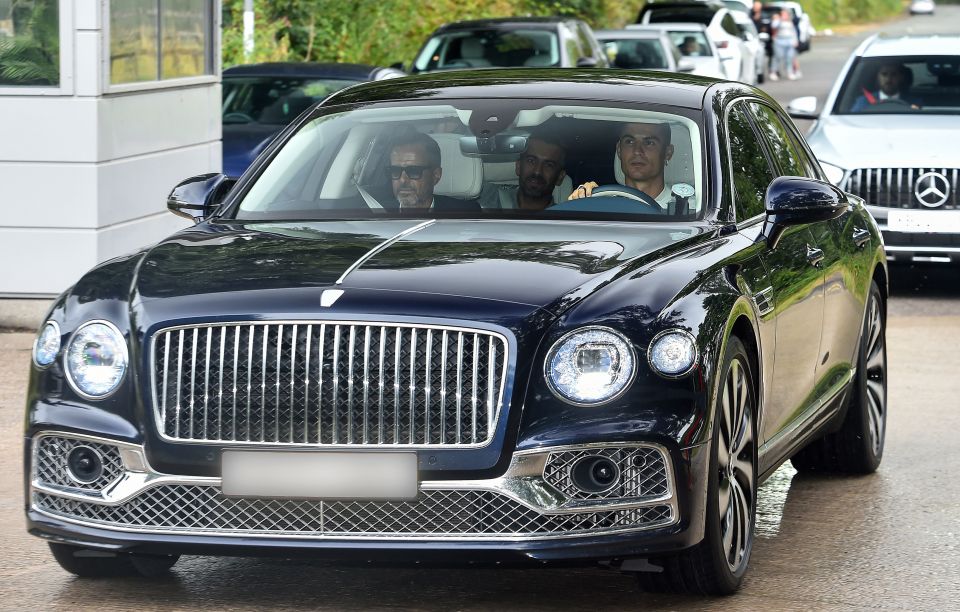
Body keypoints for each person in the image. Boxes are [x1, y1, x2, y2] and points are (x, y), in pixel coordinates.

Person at [569, 122, 676, 210]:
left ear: (668, 153)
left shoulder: (688, 211)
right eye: (629, 141)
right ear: (619, 150)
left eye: (649, 143)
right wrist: (582, 201)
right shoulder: (602, 205)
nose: (637, 151)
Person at [387, 131, 480, 211]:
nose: (403, 180)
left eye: (413, 171)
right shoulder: (376, 211)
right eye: (395, 171)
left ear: (436, 175)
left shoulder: (465, 213)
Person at [480, 133, 567, 211]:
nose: (537, 171)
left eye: (548, 165)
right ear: (518, 166)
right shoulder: (487, 198)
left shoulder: (567, 221)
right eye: (531, 161)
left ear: (560, 177)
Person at [851, 62, 922, 112]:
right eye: (884, 74)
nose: (888, 79)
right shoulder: (864, 102)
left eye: (893, 74)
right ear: (878, 77)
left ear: (901, 77)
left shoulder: (914, 102)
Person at [769, 8, 798, 81]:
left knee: (789, 57)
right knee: (778, 56)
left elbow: (793, 32)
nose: (784, 15)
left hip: (789, 41)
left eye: (785, 14)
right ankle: (773, 72)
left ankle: (790, 72)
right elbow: (773, 26)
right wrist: (780, 19)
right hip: (779, 40)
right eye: (783, 14)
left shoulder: (790, 22)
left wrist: (795, 40)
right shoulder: (777, 21)